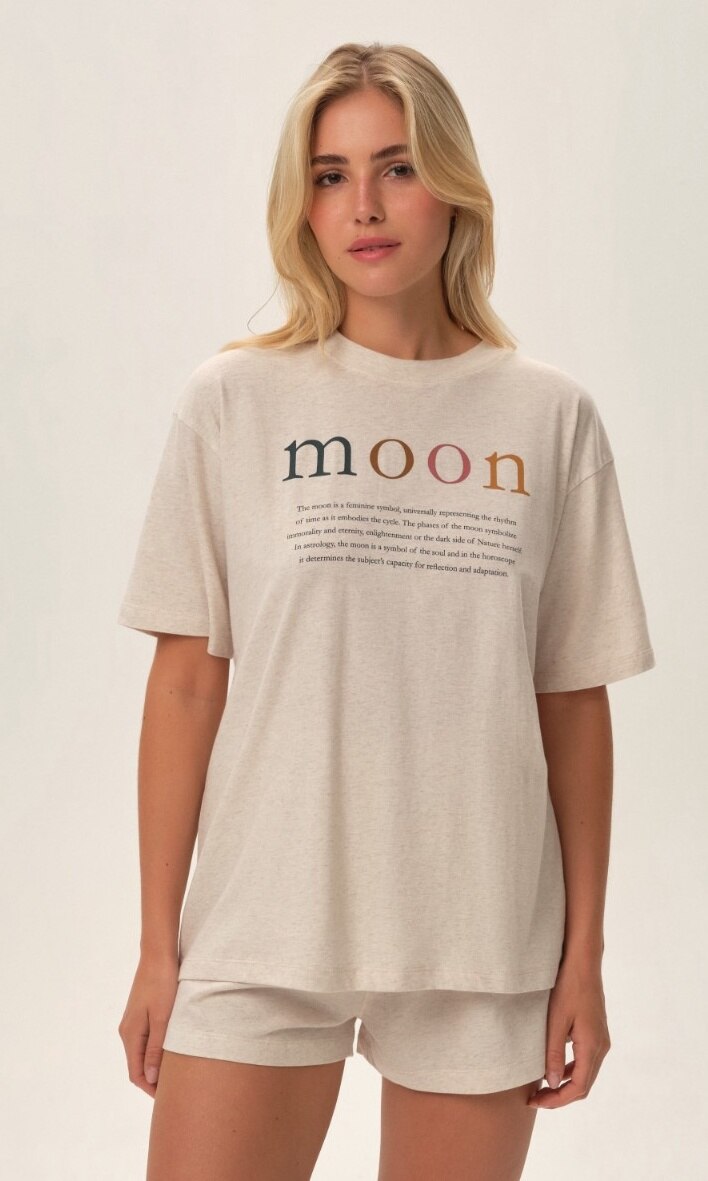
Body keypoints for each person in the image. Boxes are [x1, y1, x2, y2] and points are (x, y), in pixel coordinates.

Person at [116, 41, 656, 1181]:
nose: (362, 203)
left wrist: (584, 956)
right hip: (262, 928)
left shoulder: (548, 418)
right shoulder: (236, 402)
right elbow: (188, 681)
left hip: (483, 935)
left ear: (452, 184)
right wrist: (160, 945)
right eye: (330, 175)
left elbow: (571, 700)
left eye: (397, 167)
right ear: (302, 204)